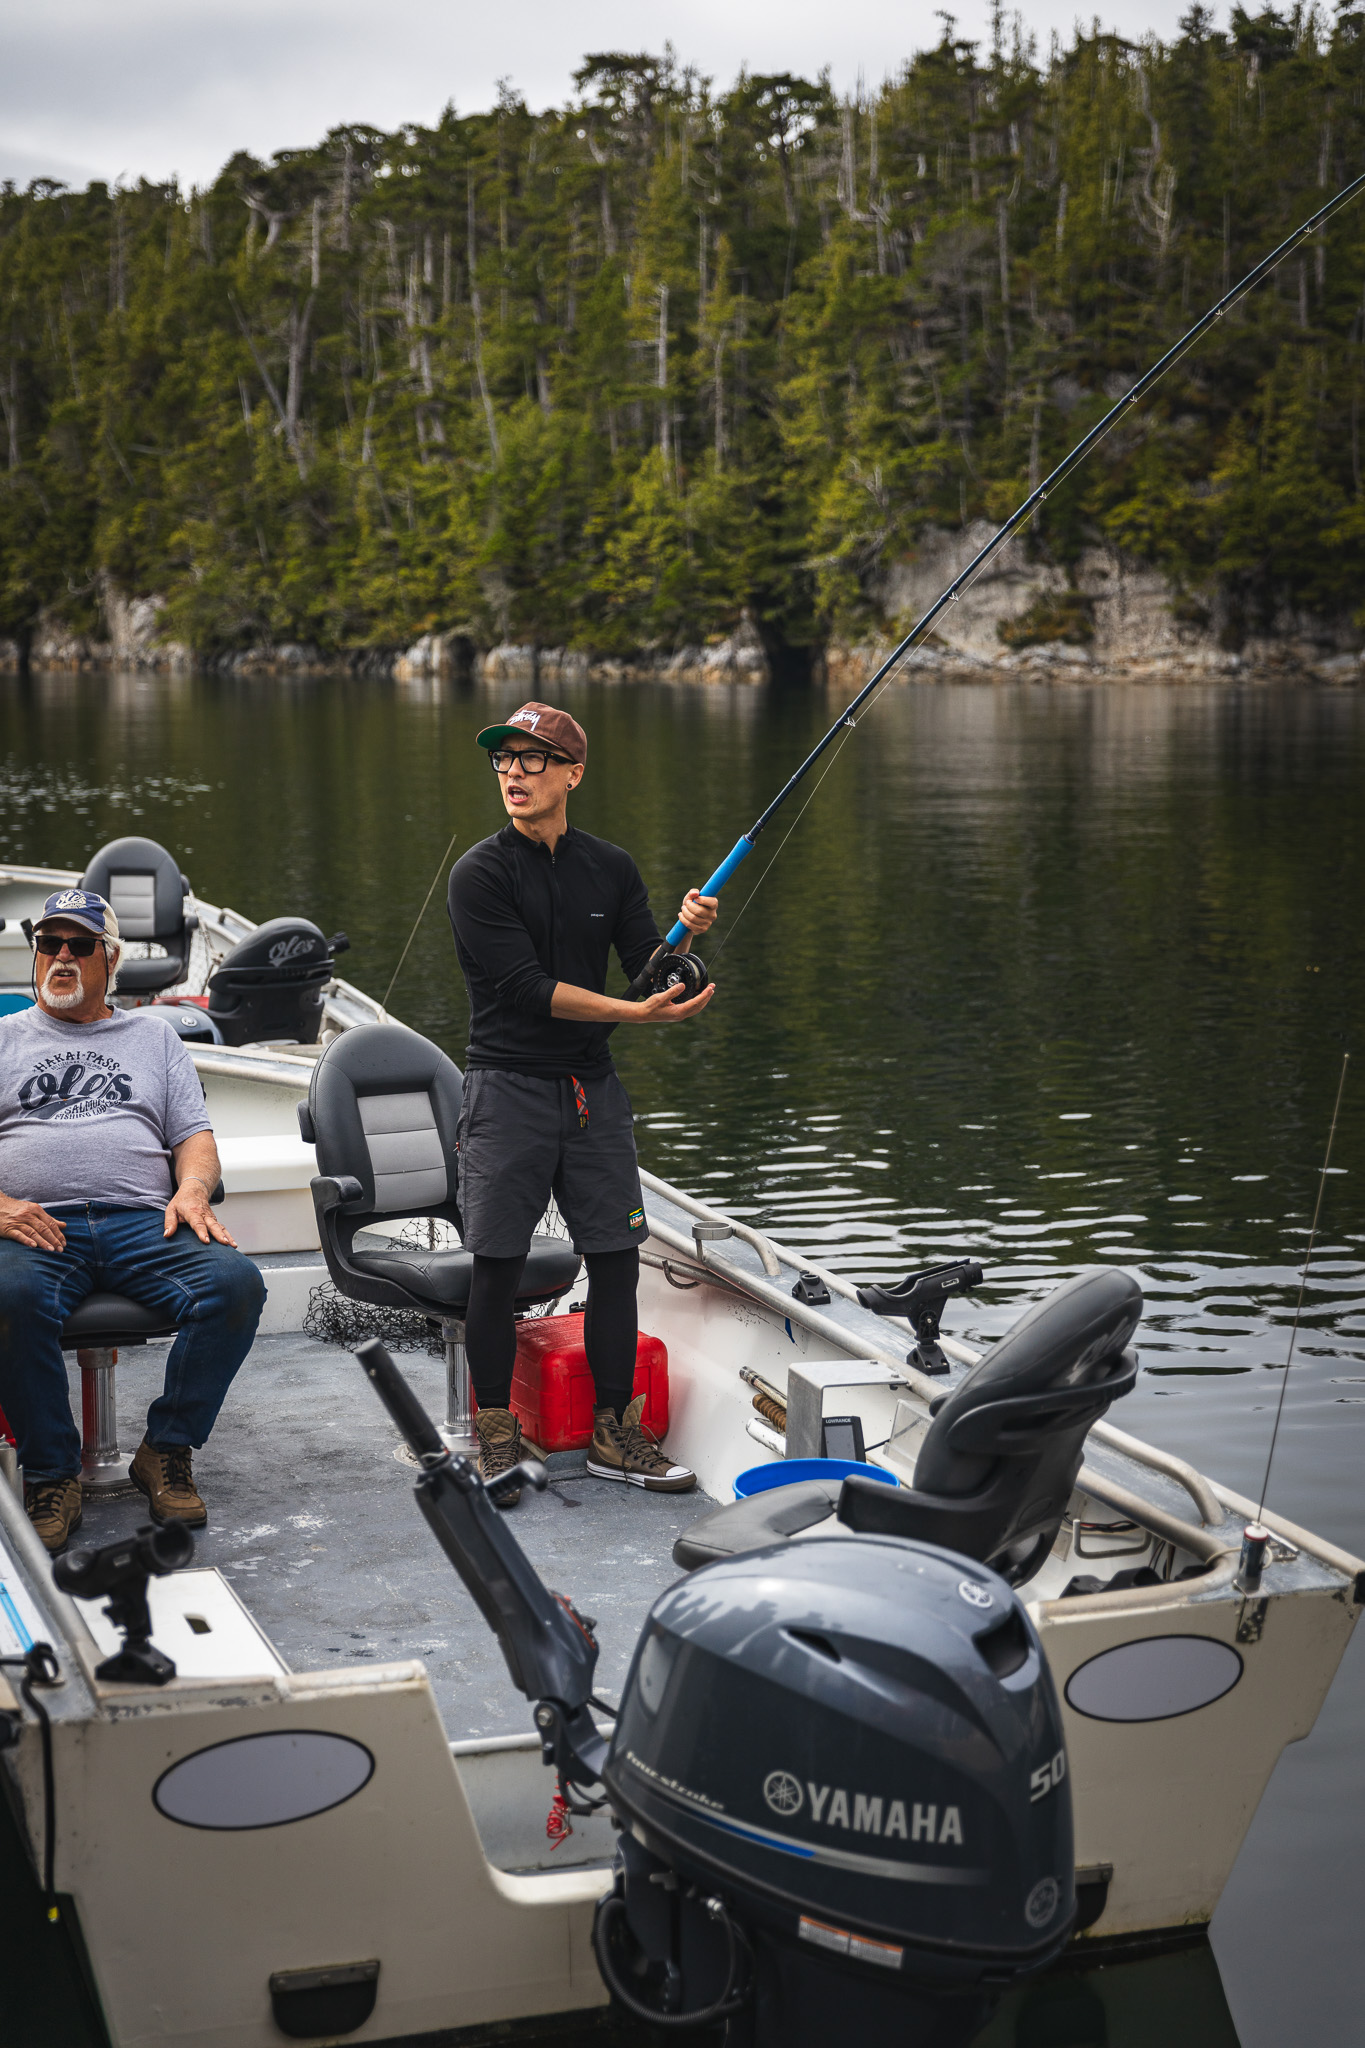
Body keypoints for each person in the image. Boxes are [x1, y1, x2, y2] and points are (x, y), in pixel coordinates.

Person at [447, 702, 717, 1506]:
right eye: (504, 761)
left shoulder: (611, 867)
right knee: (495, 1269)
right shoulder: (480, 874)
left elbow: (645, 968)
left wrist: (686, 948)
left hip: (592, 1095)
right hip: (506, 1089)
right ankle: (493, 1438)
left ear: (572, 772)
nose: (514, 775)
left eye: (532, 760)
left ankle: (613, 1430)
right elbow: (526, 990)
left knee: (615, 1260)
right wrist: (635, 1014)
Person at [0, 890, 265, 1553]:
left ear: (110, 960)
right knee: (9, 1295)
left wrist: (195, 1190)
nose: (61, 957)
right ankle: (52, 1474)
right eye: (48, 944)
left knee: (235, 1284)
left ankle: (167, 1449)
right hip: (36, 1228)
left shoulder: (154, 1038)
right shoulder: (3, 1039)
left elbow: (194, 1142)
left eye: (80, 945)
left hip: (142, 1223)